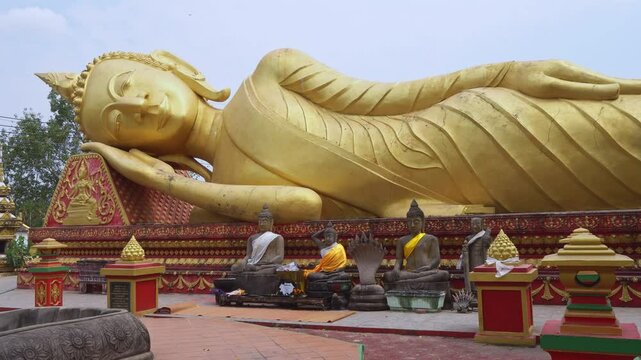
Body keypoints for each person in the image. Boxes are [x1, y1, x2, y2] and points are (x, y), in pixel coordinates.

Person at [38, 49, 641, 223]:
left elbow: (398, 94)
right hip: (451, 198)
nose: (135, 104)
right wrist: (165, 183)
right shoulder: (222, 193)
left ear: (165, 64)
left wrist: (504, 72)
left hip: (474, 124)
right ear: (135, 147)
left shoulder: (270, 73)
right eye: (117, 120)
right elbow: (303, 206)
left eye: (128, 82)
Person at [383, 200, 449, 288]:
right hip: (409, 273)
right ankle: (416, 281)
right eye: (409, 222)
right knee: (388, 276)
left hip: (426, 272)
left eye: (416, 222)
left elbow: (436, 259)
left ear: (422, 222)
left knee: (444, 274)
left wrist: (429, 267)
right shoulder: (402, 241)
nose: (412, 225)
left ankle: (411, 282)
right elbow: (399, 260)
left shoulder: (431, 239)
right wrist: (396, 269)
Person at [230, 204, 284, 274]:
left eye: (264, 221)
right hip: (253, 265)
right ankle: (255, 271)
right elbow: (248, 256)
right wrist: (243, 262)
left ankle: (256, 272)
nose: (262, 224)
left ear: (271, 222)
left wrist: (267, 263)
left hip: (268, 266)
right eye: (260, 221)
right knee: (235, 268)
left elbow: (280, 257)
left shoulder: (277, 238)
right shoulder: (252, 238)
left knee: (276, 268)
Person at [459, 217, 492, 292]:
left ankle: (481, 290)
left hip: (482, 259)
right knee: (472, 276)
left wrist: (487, 234)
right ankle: (472, 291)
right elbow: (465, 250)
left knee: (481, 275)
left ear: (482, 225)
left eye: (477, 224)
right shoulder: (469, 238)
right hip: (471, 261)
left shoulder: (485, 236)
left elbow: (489, 246)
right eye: (473, 224)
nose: (475, 226)